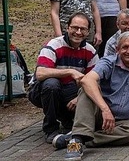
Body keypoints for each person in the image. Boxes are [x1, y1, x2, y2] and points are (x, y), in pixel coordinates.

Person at [62, 31, 129, 161]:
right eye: (124, 47)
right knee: (86, 89)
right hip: (99, 115)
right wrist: (105, 110)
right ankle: (76, 141)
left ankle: (80, 137)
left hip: (119, 123)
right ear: (117, 50)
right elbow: (87, 80)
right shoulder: (108, 62)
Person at [28, 13, 99, 144]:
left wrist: (79, 99)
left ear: (88, 31)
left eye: (83, 29)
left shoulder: (90, 51)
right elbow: (40, 73)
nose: (78, 32)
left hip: (69, 91)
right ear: (67, 28)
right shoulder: (54, 44)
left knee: (83, 94)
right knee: (52, 85)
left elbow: (94, 81)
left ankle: (67, 120)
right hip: (42, 91)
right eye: (74, 28)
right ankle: (50, 129)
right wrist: (70, 71)